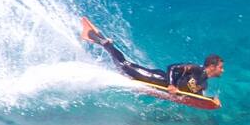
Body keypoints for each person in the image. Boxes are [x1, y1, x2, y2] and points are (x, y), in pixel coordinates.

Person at [80, 16, 223, 96]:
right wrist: (172, 85)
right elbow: (172, 67)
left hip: (158, 84)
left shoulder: (204, 84)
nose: (222, 70)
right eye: (221, 67)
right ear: (212, 66)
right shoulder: (196, 69)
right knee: (123, 65)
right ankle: (98, 38)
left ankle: (103, 40)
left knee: (125, 69)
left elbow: (195, 96)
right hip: (156, 78)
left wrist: (210, 100)